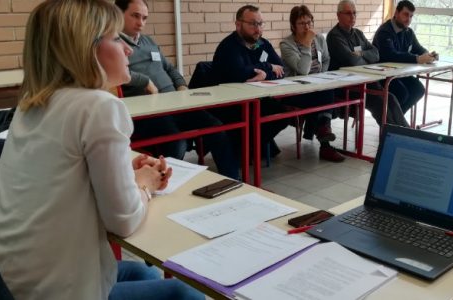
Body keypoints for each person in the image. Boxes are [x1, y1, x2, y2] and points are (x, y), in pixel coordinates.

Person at [0, 1, 201, 299]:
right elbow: (124, 220)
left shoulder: (32, 103)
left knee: (143, 272)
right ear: (86, 48)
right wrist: (145, 184)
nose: (128, 49)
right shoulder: (98, 105)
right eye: (117, 38)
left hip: (12, 273)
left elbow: (59, 177)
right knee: (186, 294)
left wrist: (122, 174)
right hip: (52, 288)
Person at [116, 0, 240, 179]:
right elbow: (118, 71)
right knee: (176, 140)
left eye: (144, 18)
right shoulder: (111, 43)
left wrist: (182, 86)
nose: (141, 23)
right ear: (119, 14)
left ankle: (233, 181)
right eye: (135, 16)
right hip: (148, 110)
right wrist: (146, 82)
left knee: (216, 127)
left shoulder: (148, 41)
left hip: (173, 103)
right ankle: (164, 185)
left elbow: (169, 68)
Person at [211, 5, 288, 159]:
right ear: (238, 24)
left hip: (256, 99)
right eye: (252, 24)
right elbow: (240, 73)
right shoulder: (229, 46)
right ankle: (244, 150)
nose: (257, 28)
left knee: (284, 114)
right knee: (255, 117)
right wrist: (268, 67)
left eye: (260, 24)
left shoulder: (262, 44)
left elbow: (281, 70)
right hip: (231, 103)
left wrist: (265, 74)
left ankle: (251, 147)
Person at [327, 0, 409, 127]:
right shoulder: (334, 36)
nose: (352, 17)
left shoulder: (358, 33)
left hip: (364, 80)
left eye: (354, 13)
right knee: (378, 101)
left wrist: (361, 54)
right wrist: (363, 56)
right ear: (338, 15)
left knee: (391, 98)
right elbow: (351, 60)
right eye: (348, 13)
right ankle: (391, 136)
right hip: (346, 85)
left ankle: (406, 134)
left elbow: (376, 54)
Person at [279, 5, 345, 162]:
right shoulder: (287, 44)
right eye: (302, 23)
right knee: (327, 95)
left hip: (317, 87)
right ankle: (324, 138)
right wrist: (307, 44)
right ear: (293, 25)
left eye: (309, 22)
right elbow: (302, 70)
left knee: (327, 91)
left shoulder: (320, 38)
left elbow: (327, 58)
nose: (307, 27)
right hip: (295, 91)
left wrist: (323, 76)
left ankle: (323, 136)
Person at [372, 0, 436, 114]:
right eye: (406, 14)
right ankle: (392, 122)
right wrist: (417, 59)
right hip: (382, 76)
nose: (409, 19)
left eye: (411, 16)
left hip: (398, 74)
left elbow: (418, 49)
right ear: (396, 13)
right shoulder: (384, 31)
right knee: (402, 93)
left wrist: (429, 55)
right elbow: (390, 55)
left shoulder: (408, 32)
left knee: (418, 90)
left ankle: (395, 121)